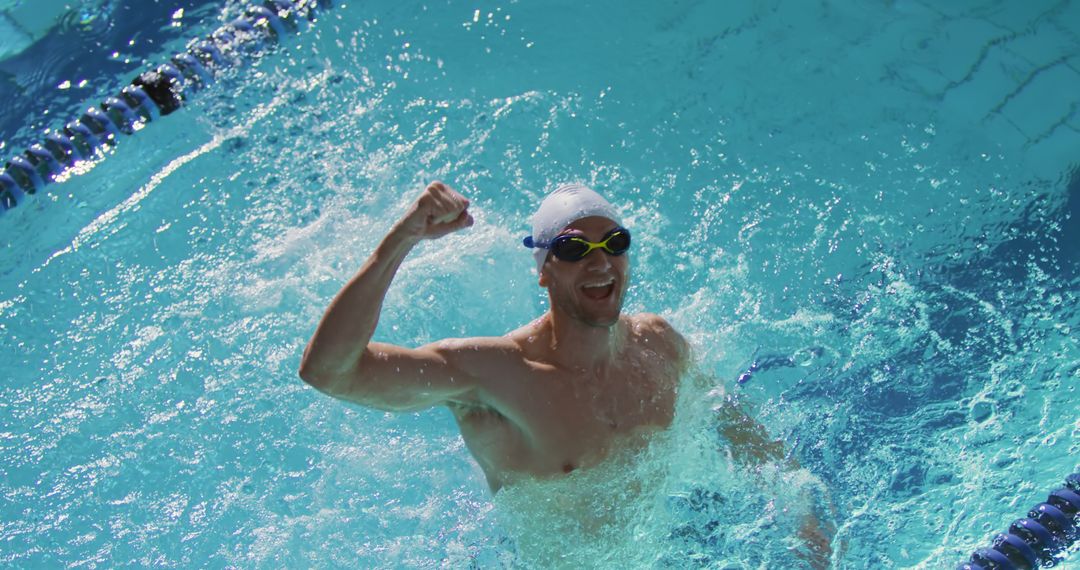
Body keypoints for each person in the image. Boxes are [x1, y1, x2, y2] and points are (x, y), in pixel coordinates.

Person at [298, 181, 833, 566]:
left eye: (614, 244)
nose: (600, 263)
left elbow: (743, 435)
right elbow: (331, 372)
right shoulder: (496, 376)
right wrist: (403, 239)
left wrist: (805, 520)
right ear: (544, 272)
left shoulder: (659, 345)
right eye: (575, 249)